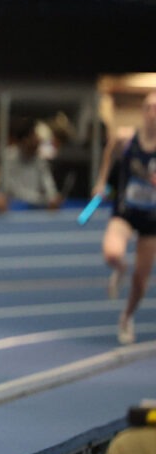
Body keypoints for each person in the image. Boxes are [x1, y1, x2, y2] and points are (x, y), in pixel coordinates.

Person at [91, 90, 156, 345]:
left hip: (152, 218)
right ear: (142, 111)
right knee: (112, 253)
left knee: (140, 280)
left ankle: (127, 317)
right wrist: (102, 181)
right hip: (126, 211)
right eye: (149, 107)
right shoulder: (126, 137)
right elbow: (109, 152)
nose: (152, 113)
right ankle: (119, 269)